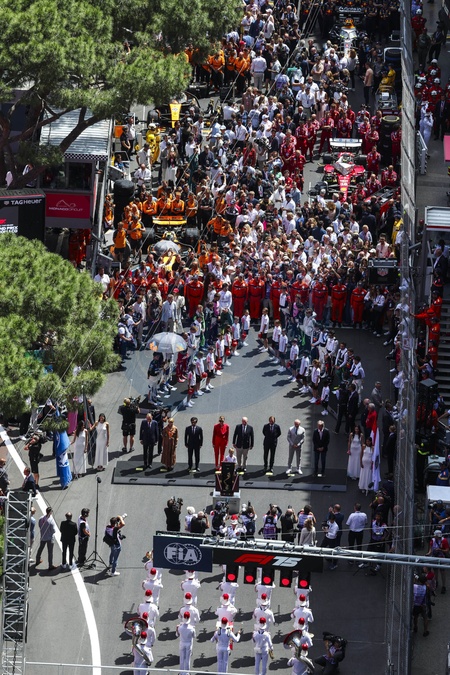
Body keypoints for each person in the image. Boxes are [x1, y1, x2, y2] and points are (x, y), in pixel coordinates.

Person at [35, 506, 57, 571]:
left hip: (43, 536)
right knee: (50, 552)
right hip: (49, 538)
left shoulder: (41, 518)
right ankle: (50, 565)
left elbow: (39, 526)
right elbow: (53, 531)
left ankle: (37, 560)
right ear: (50, 513)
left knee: (40, 548)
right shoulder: (51, 521)